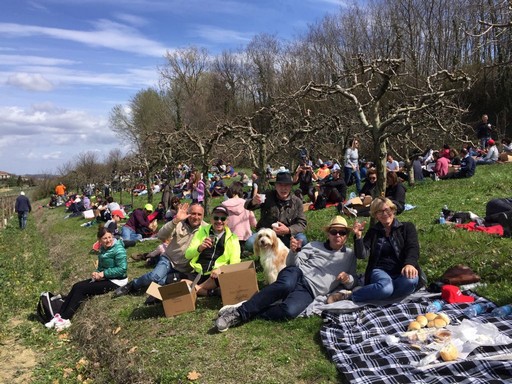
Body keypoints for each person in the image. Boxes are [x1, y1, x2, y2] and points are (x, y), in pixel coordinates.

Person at [214, 216, 357, 332]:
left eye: (342, 232)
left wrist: (347, 278)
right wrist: (294, 252)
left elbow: (353, 281)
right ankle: (237, 314)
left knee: (289, 311)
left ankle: (249, 308)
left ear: (346, 236)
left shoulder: (349, 255)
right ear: (328, 233)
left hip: (310, 290)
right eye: (334, 232)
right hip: (297, 273)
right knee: (285, 286)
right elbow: (292, 263)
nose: (337, 235)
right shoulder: (314, 245)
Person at [327, 197, 422, 304]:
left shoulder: (407, 227)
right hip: (380, 270)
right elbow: (362, 255)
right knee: (385, 288)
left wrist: (410, 264)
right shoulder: (374, 232)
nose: (384, 213)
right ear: (375, 215)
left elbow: (413, 247)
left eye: (387, 210)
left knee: (411, 281)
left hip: (402, 269)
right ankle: (349, 296)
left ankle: (376, 293)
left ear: (393, 210)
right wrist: (358, 237)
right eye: (380, 212)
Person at [112, 203, 206, 299]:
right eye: (193, 213)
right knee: (154, 276)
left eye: (199, 214)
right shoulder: (179, 223)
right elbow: (161, 236)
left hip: (185, 268)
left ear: (203, 215)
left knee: (161, 282)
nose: (196, 217)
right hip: (168, 260)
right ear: (188, 213)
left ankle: (153, 290)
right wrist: (175, 220)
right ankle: (132, 285)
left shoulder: (206, 229)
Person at [45, 227, 128, 331]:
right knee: (76, 286)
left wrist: (103, 274)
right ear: (99, 240)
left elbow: (122, 269)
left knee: (82, 289)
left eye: (110, 237)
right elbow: (102, 266)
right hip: (106, 278)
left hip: (117, 281)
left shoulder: (119, 249)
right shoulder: (102, 248)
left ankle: (66, 318)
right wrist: (97, 273)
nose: (108, 240)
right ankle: (59, 315)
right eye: (105, 238)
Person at [184, 205, 241, 296]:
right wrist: (199, 248)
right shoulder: (201, 231)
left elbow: (235, 262)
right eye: (216, 218)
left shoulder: (233, 238)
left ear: (227, 221)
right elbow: (187, 254)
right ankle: (209, 292)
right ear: (211, 219)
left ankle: (194, 289)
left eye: (223, 218)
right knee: (179, 281)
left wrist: (221, 269)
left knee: (223, 277)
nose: (219, 221)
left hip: (215, 276)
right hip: (199, 273)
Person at [244, 171, 308, 251]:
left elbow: (302, 223)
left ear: (291, 186)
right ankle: (265, 251)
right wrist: (253, 201)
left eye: (286, 185)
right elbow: (247, 206)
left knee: (302, 240)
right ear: (275, 186)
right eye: (280, 185)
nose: (283, 188)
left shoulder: (297, 201)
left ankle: (282, 249)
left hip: (287, 234)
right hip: (267, 232)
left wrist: (288, 230)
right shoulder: (267, 196)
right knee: (250, 244)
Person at [221, 182, 257, 249]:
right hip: (245, 237)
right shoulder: (247, 203)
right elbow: (254, 223)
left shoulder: (224, 205)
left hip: (230, 237)